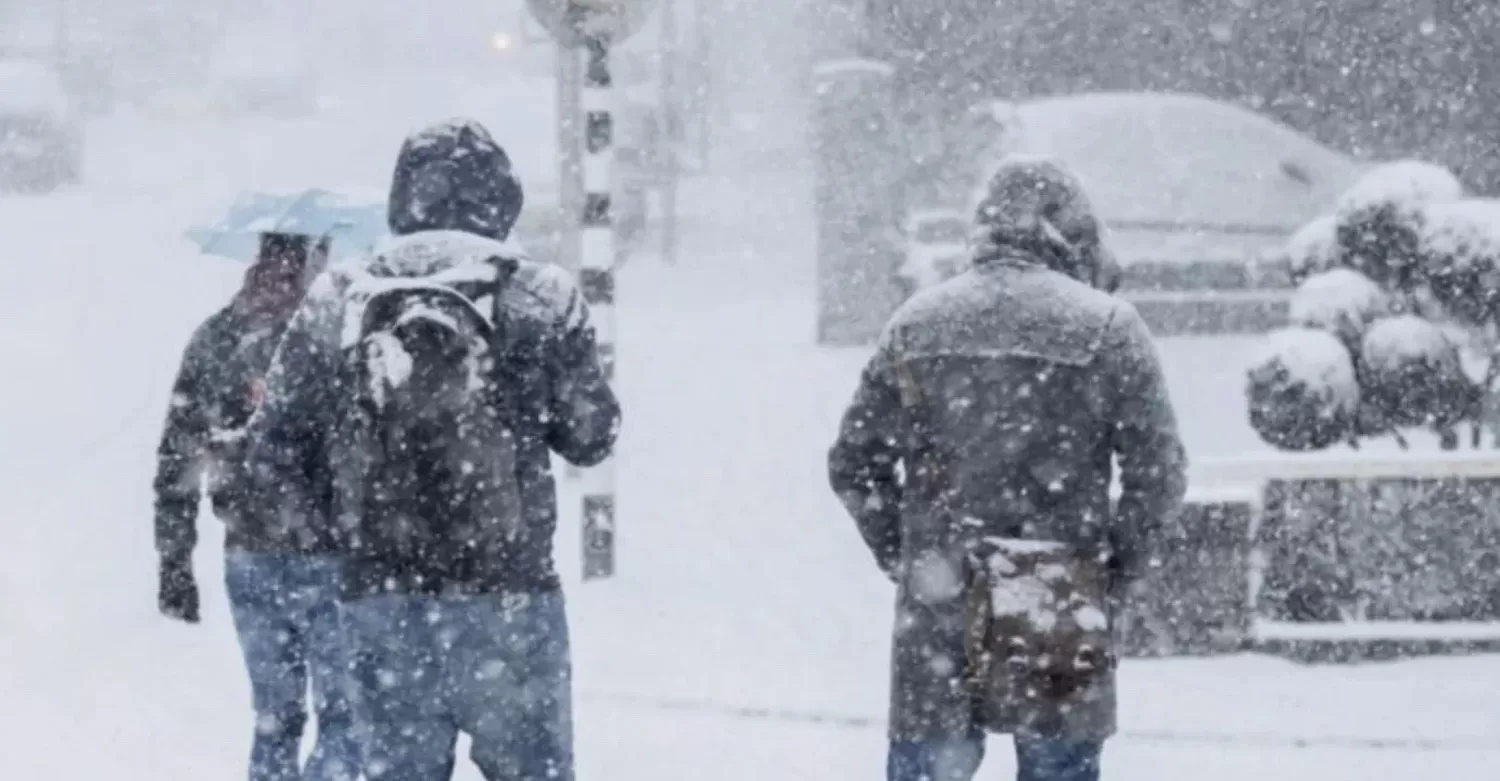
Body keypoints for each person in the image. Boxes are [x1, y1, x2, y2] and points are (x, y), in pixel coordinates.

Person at [245, 118, 620, 781]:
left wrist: (346, 524)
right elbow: (591, 437)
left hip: (380, 603)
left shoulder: (338, 300)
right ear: (500, 200)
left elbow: (273, 451)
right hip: (512, 598)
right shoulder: (542, 294)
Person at [827, 155, 1187, 781]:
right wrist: (1113, 569)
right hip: (1059, 590)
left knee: (928, 764)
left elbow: (854, 462)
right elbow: (1159, 473)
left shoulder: (917, 324)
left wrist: (909, 556)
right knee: (1058, 766)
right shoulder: (1108, 329)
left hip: (940, 591)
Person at [152, 232, 361, 781]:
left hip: (249, 555)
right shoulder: (335, 335)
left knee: (275, 716)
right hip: (331, 554)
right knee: (345, 716)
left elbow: (177, 458)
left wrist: (175, 562)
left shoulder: (217, 337)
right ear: (314, 258)